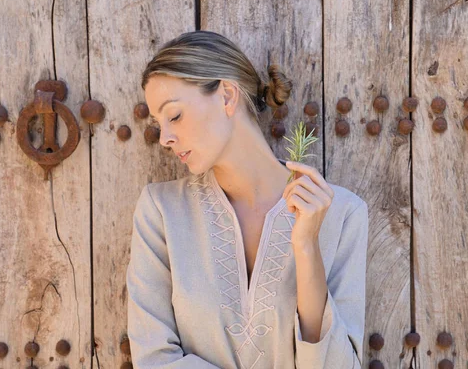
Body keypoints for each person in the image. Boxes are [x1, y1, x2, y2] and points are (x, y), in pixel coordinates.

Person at [126, 30, 369, 369]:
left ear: (227, 95)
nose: (165, 138)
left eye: (175, 115)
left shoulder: (343, 214)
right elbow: (154, 359)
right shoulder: (161, 211)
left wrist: (306, 247)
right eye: (159, 123)